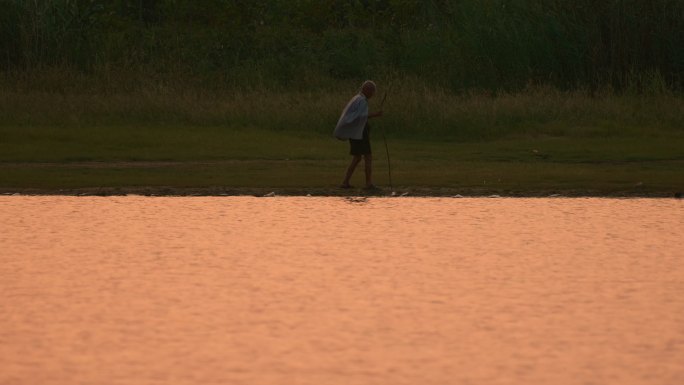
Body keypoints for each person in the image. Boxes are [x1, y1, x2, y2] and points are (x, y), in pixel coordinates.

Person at [334, 80, 383, 189]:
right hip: (359, 133)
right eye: (372, 91)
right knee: (368, 156)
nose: (373, 94)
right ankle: (368, 183)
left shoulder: (356, 98)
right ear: (367, 90)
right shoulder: (362, 100)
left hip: (355, 132)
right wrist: (376, 114)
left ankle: (345, 182)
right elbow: (361, 116)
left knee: (357, 157)